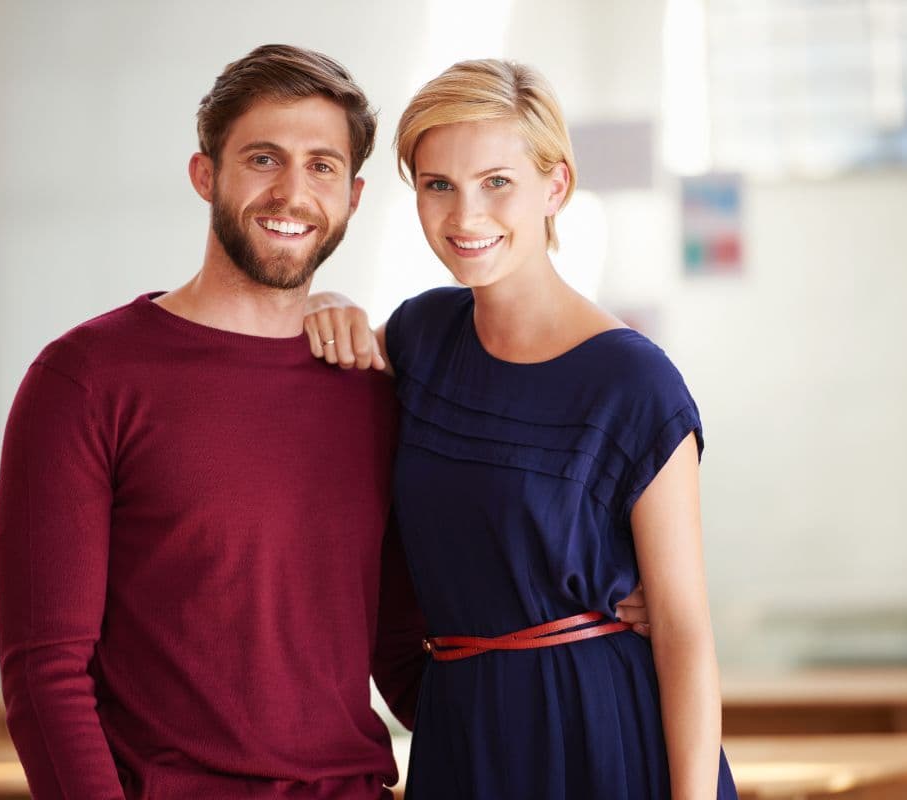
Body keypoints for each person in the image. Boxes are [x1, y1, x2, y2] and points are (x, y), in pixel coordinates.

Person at [0, 44, 428, 800]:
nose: (293, 193)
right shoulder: (85, 380)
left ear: (353, 198)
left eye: (322, 166)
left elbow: (402, 649)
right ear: (206, 176)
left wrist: (602, 638)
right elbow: (45, 671)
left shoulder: (373, 391)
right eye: (264, 159)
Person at [305, 59, 738, 799]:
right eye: (439, 185)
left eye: (496, 181)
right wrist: (327, 300)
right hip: (460, 732)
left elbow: (684, 632)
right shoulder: (417, 337)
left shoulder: (633, 383)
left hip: (601, 729)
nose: (465, 215)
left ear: (556, 186)